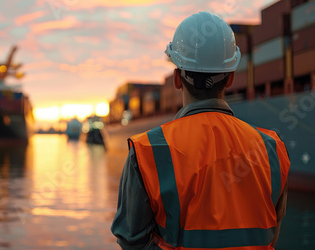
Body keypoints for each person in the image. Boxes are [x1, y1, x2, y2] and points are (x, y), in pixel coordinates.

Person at [111, 12, 290, 249]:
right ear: (230, 79)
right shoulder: (271, 147)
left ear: (177, 79)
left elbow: (130, 241)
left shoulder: (147, 150)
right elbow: (272, 229)